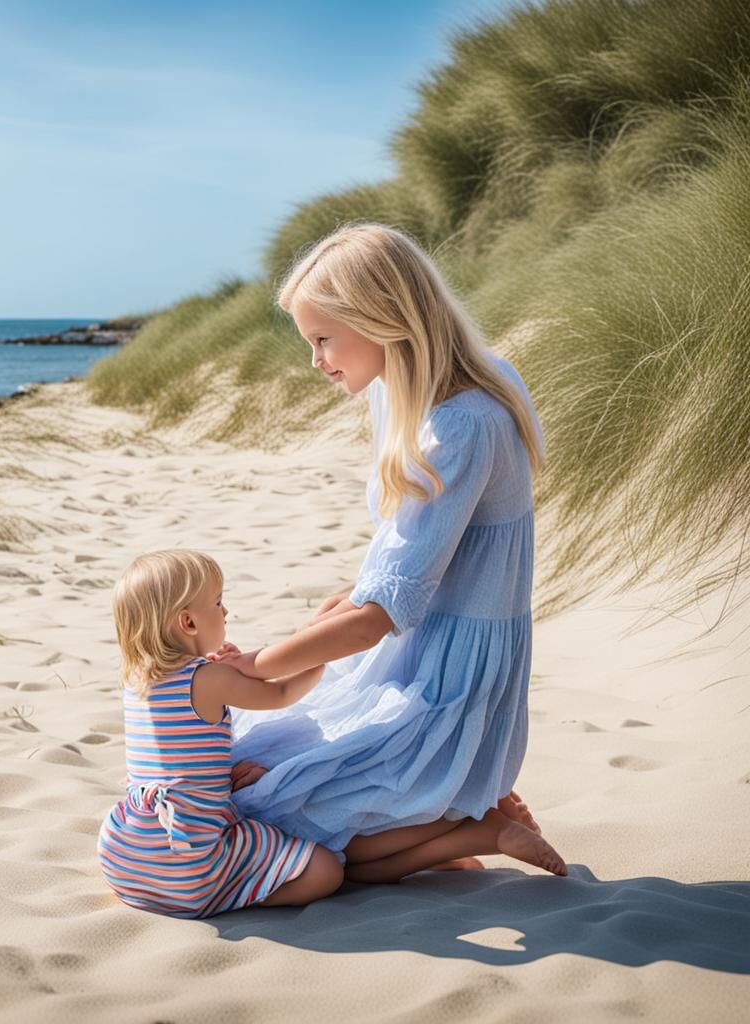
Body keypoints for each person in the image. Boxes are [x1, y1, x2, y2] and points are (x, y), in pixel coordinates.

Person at [213, 222, 568, 881]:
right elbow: (402, 558)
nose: (316, 360)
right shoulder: (399, 386)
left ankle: (474, 824)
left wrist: (259, 664)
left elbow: (380, 615)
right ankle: (451, 807)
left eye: (324, 339)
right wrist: (329, 612)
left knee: (274, 830)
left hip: (444, 671)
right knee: (235, 772)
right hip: (408, 647)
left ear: (384, 320)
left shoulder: (463, 422)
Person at [96, 549, 344, 918]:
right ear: (188, 623)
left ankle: (187, 891)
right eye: (217, 602)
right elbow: (280, 693)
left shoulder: (136, 681)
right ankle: (238, 893)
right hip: (191, 861)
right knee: (327, 870)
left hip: (126, 855)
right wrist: (320, 655)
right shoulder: (207, 678)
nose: (225, 612)